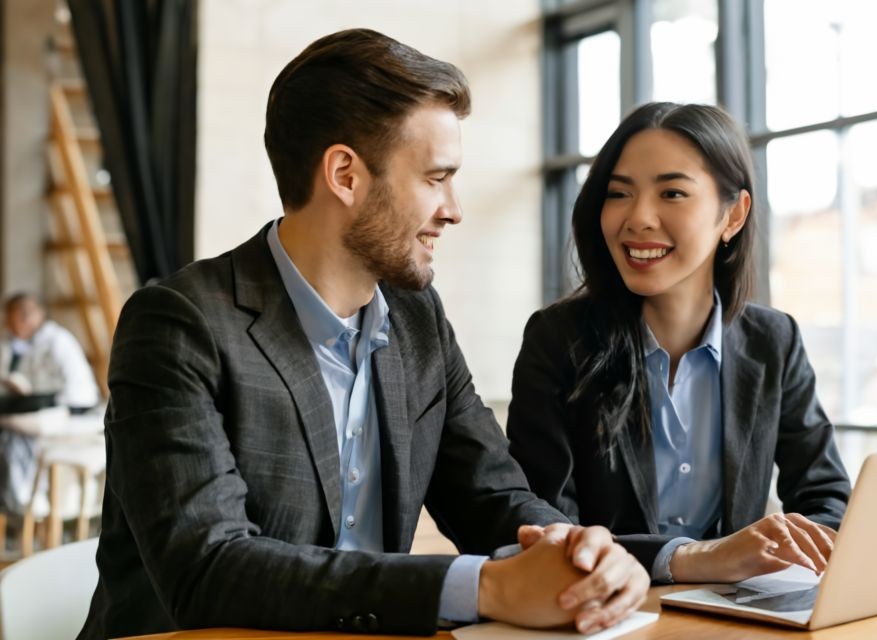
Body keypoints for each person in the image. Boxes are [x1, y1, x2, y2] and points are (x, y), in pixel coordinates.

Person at [77, 29, 648, 640]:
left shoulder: (417, 318)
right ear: (345, 174)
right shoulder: (178, 325)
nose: (453, 209)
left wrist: (571, 551)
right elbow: (209, 570)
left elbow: (491, 494)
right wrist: (482, 586)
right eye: (435, 178)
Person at [507, 102, 852, 585]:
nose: (639, 218)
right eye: (618, 193)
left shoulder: (774, 340)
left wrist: (795, 549)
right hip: (605, 609)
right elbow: (545, 527)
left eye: (672, 192)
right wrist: (690, 558)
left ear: (732, 215)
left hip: (734, 611)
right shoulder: (558, 339)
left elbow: (826, 495)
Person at [0, 293, 99, 515]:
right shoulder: (22, 343)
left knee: (11, 434)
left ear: (27, 316)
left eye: (10, 317)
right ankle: (16, 503)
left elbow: (66, 389)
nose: (7, 324)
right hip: (46, 408)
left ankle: (24, 503)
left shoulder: (56, 341)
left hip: (71, 410)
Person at [0, 292, 98, 411]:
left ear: (23, 317)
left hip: (73, 403)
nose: (7, 326)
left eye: (9, 320)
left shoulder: (56, 340)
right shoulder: (29, 341)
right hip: (56, 399)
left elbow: (47, 386)